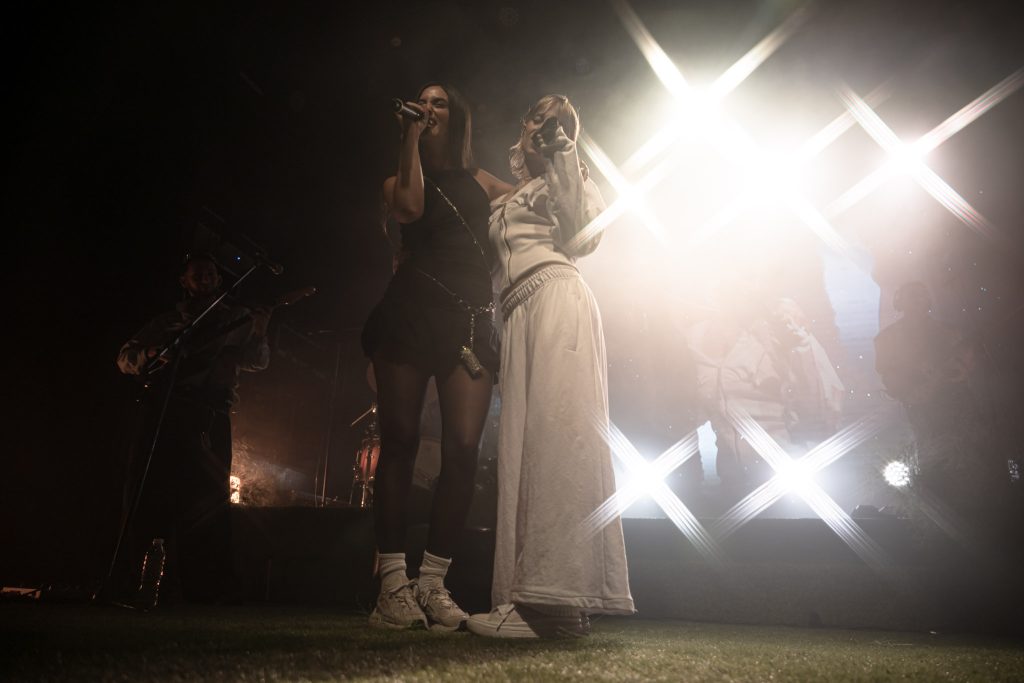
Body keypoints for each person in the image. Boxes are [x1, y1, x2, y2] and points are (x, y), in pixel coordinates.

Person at [466, 95, 635, 639]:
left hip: (558, 299)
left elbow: (582, 236)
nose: (549, 124)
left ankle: (555, 603)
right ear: (523, 128)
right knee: (521, 449)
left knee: (558, 442)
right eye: (540, 115)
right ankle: (532, 600)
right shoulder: (507, 195)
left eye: (561, 119)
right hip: (515, 317)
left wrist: (564, 152)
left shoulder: (575, 180)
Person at [361, 82, 511, 630]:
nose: (428, 107)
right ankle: (392, 586)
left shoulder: (482, 180)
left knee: (465, 450)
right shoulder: (397, 179)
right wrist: (409, 138)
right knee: (399, 441)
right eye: (422, 101)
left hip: (468, 320)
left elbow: (536, 203)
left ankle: (433, 584)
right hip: (410, 314)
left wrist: (563, 161)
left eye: (440, 101)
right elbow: (410, 206)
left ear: (457, 116)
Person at [113, 252, 270, 603]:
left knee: (209, 501)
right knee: (152, 494)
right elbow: (125, 357)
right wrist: (157, 353)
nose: (205, 277)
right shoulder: (169, 321)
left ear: (219, 279)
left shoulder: (238, 320)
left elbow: (257, 361)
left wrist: (261, 328)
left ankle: (207, 589)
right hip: (167, 412)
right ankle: (143, 582)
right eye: (197, 273)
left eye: (211, 272)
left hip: (211, 416)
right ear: (183, 281)